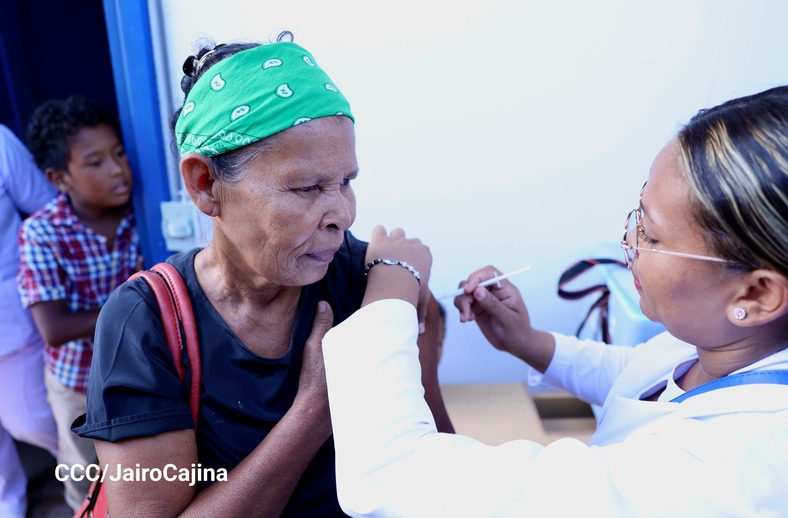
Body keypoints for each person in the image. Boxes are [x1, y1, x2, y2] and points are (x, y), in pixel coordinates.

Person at [322, 85, 788, 516]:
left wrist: (393, 283)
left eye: (650, 234)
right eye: (637, 214)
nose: (627, 242)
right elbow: (644, 376)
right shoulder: (742, 341)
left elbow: (391, 480)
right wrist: (529, 343)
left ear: (757, 294)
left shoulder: (739, 472)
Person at [72, 33, 453, 517]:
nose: (343, 214)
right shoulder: (145, 326)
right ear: (205, 184)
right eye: (306, 187)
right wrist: (314, 410)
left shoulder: (369, 281)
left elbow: (437, 464)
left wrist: (403, 296)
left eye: (346, 181)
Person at [17, 95, 141, 512]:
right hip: (77, 382)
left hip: (135, 368)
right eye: (95, 162)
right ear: (60, 178)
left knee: (140, 468)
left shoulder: (140, 211)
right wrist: (135, 298)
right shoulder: (43, 232)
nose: (117, 169)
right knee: (85, 471)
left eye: (118, 153)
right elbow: (54, 328)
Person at [0, 124, 59, 518]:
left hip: (10, 319)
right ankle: (9, 502)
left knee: (34, 421)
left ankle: (98, 476)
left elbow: (48, 209)